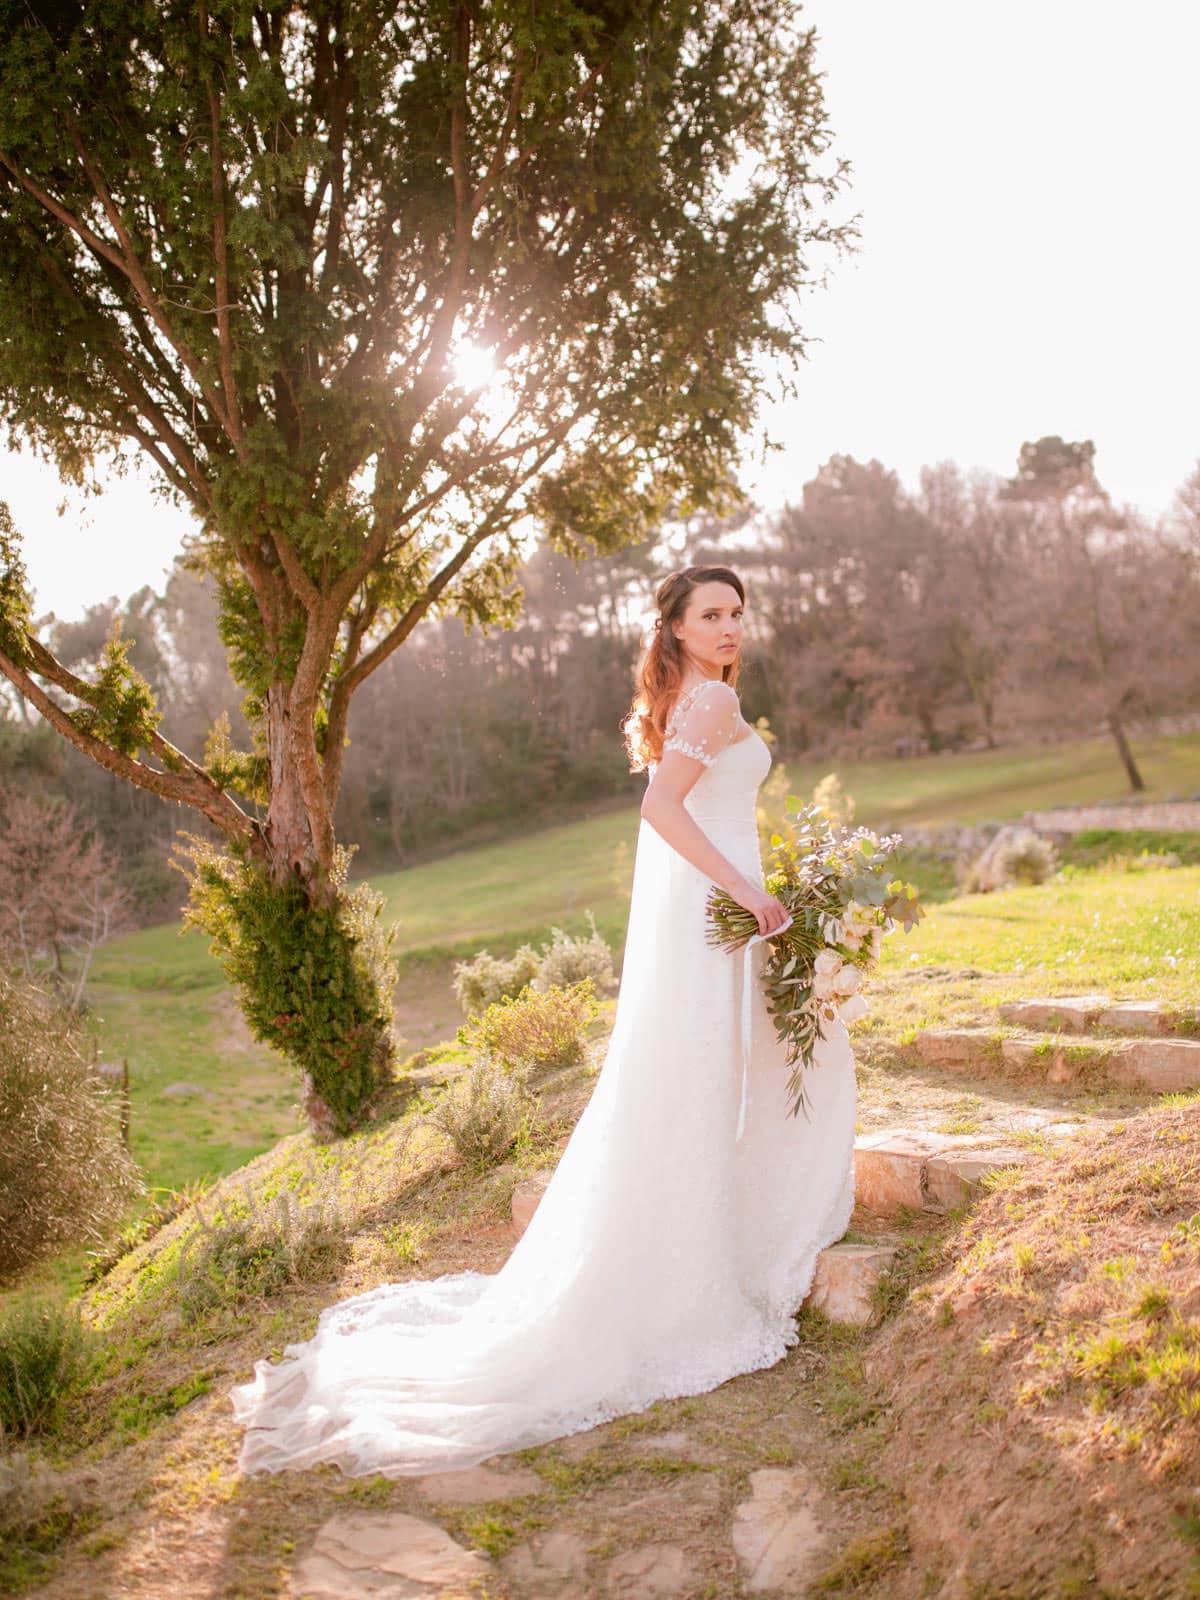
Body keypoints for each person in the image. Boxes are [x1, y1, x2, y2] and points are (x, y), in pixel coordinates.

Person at [229, 563, 857, 1478]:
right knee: (709, 1077)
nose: (730, 627)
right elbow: (661, 809)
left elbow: (688, 809)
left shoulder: (692, 698)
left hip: (709, 915)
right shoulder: (709, 706)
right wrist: (750, 890)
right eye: (711, 614)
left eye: (737, 613)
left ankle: (717, 1235)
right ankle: (700, 1267)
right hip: (719, 912)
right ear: (676, 627)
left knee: (702, 1077)